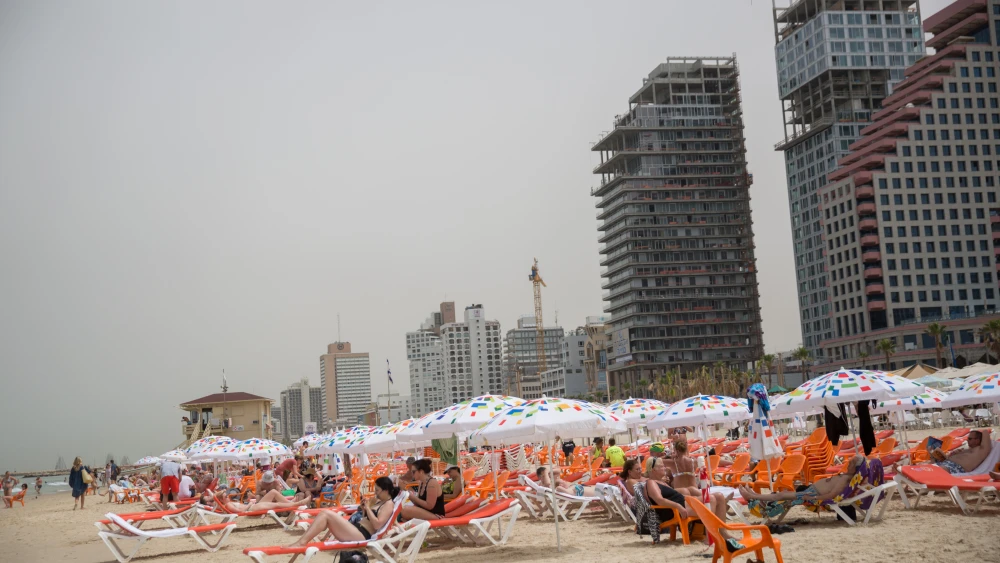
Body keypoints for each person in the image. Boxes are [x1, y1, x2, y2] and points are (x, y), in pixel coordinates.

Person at [739, 454, 885, 519]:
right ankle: (761, 499)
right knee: (782, 494)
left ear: (855, 468)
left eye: (851, 463)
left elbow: (831, 495)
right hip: (811, 491)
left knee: (781, 495)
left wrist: (812, 497)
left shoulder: (845, 480)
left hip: (813, 495)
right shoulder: (847, 477)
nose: (848, 463)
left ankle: (752, 496)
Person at [643, 457, 737, 547]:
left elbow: (675, 496)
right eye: (661, 466)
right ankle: (709, 536)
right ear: (653, 469)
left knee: (719, 496)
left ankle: (723, 533)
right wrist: (678, 506)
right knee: (711, 499)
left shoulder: (661, 482)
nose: (664, 468)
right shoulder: (651, 483)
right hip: (675, 510)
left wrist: (693, 498)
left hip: (683, 504)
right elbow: (660, 500)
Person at [290, 477, 398, 546]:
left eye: (377, 490)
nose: (375, 493)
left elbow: (377, 525)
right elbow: (367, 519)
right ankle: (302, 542)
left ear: (386, 490)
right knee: (325, 515)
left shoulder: (389, 504)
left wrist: (369, 508)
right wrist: (365, 509)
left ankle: (301, 542)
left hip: (361, 535)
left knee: (325, 514)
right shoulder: (381, 502)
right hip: (356, 529)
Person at [213, 489, 310, 513]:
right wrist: (249, 504)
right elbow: (241, 512)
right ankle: (298, 504)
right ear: (222, 500)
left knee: (273, 492)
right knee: (277, 504)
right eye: (226, 497)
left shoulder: (229, 503)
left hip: (254, 505)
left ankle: (293, 503)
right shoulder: (228, 506)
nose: (228, 497)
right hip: (252, 508)